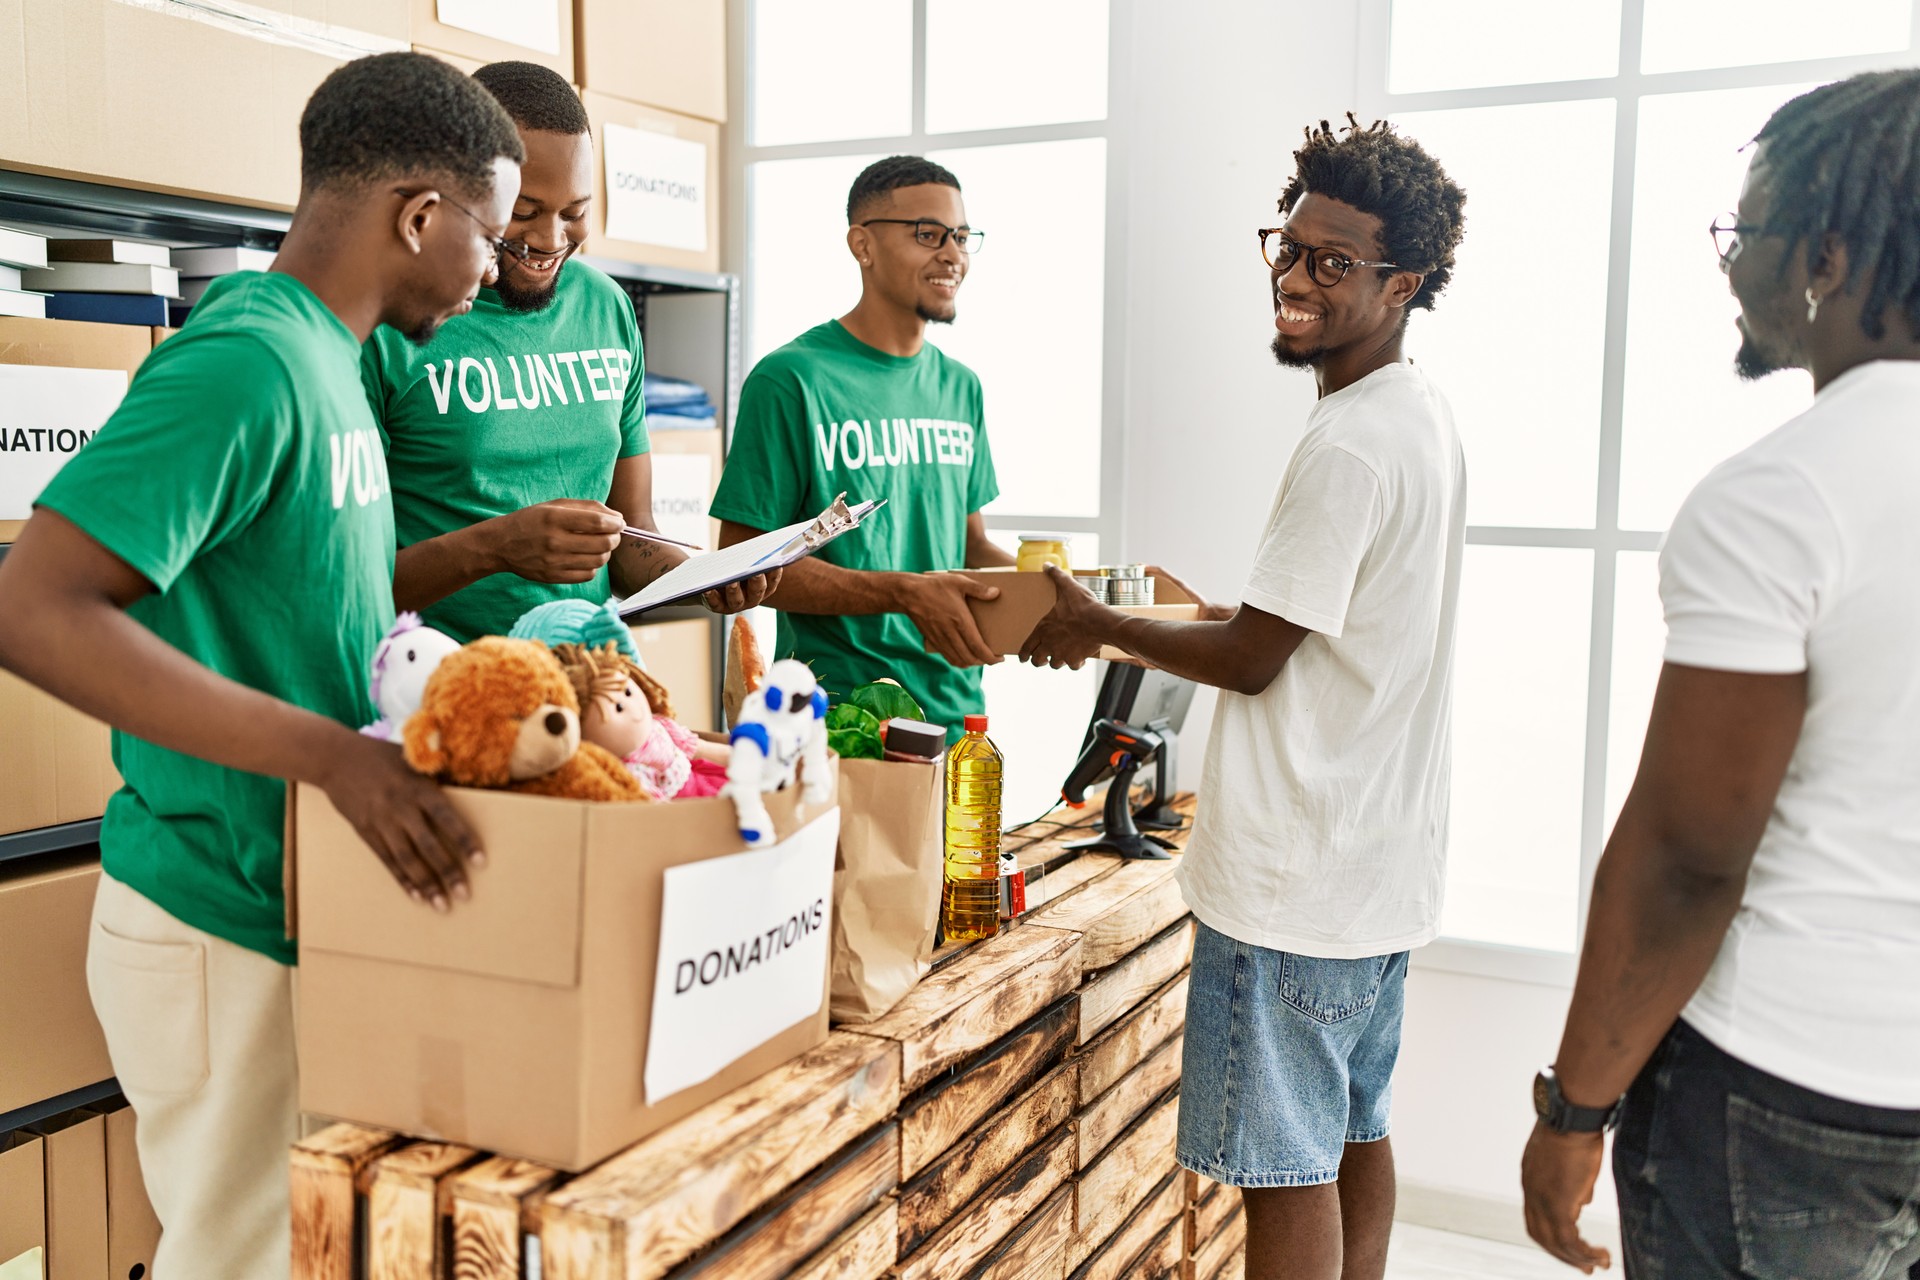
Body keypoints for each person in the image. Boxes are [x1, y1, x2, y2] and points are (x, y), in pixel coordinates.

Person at [0, 53, 522, 1278]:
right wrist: (333, 759)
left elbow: (307, 603)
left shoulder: (333, 364)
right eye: (490, 239)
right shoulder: (245, 360)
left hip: (287, 910)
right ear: (418, 214)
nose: (495, 271)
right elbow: (34, 607)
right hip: (209, 915)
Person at [1020, 118, 1466, 1280]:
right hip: (1373, 875)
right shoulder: (1414, 414)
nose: (1296, 277)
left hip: (1294, 887)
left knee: (1282, 1170)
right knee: (1352, 1128)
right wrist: (1187, 609)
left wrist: (1098, 622)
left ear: (1402, 283)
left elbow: (1261, 656)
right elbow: (1319, 628)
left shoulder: (1349, 443)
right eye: (1289, 247)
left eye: (1334, 262)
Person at [1521, 69, 1920, 1279]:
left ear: (1830, 261)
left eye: (1747, 230)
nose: (1730, 262)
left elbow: (1689, 856)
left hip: (1784, 1092)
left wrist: (1574, 1106)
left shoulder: (1786, 493)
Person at [364, 61, 775, 642]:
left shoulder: (605, 308)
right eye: (524, 212)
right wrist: (496, 547)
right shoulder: (394, 323)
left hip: (590, 679)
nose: (552, 240)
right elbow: (350, 582)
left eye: (576, 214)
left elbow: (634, 540)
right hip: (441, 690)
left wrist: (697, 577)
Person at [710, 155, 1011, 737]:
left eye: (963, 236)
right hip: (841, 719)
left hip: (958, 712)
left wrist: (1069, 588)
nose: (952, 254)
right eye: (929, 234)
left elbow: (970, 544)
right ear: (862, 245)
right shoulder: (791, 379)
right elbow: (743, 563)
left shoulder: (961, 387)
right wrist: (903, 593)